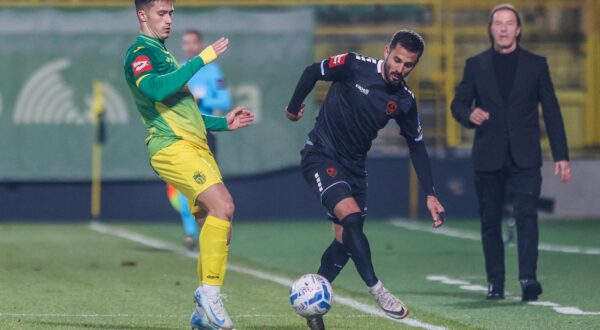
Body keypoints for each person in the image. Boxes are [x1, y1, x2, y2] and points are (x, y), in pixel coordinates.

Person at [285, 30, 445, 330]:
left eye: (408, 65)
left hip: (355, 169)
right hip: (321, 155)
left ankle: (313, 308)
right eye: (397, 59)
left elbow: (417, 144)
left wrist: (430, 193)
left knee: (345, 242)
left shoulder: (404, 100)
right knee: (352, 219)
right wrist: (293, 109)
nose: (400, 68)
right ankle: (377, 290)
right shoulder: (352, 64)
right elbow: (311, 72)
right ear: (387, 51)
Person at [123, 1, 254, 329]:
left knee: (220, 227)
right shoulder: (139, 53)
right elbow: (156, 89)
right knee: (223, 205)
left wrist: (223, 123)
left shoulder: (164, 54)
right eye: (161, 14)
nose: (168, 21)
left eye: (171, 14)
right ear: (142, 14)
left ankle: (201, 313)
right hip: (170, 148)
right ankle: (210, 296)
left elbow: (185, 110)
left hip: (194, 146)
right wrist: (201, 59)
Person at [451, 3, 571, 302]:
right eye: (498, 23)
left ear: (518, 29)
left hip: (526, 157)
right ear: (490, 29)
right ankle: (496, 283)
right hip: (488, 157)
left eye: (509, 23)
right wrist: (469, 114)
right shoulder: (475, 64)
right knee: (490, 222)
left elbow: (552, 112)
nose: (503, 28)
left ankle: (528, 279)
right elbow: (458, 104)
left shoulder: (536, 64)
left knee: (527, 217)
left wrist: (561, 155)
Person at [165, 30, 234, 251]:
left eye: (193, 43)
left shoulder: (211, 70)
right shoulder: (180, 69)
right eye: (185, 43)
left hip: (205, 135)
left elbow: (224, 100)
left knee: (207, 186)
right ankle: (190, 233)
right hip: (182, 135)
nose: (189, 47)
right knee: (185, 188)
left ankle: (211, 230)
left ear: (200, 45)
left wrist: (202, 96)